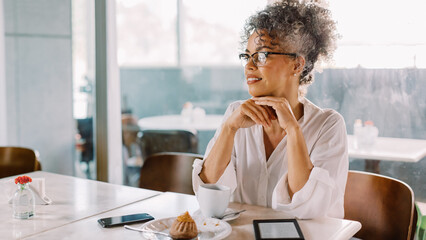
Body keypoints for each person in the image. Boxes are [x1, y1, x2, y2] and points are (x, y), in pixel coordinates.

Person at [192, 0, 348, 219]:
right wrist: (229, 129)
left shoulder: (328, 125)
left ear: (297, 65)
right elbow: (207, 195)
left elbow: (306, 209)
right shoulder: (235, 115)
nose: (249, 66)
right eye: (247, 56)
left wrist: (293, 131)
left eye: (262, 56)